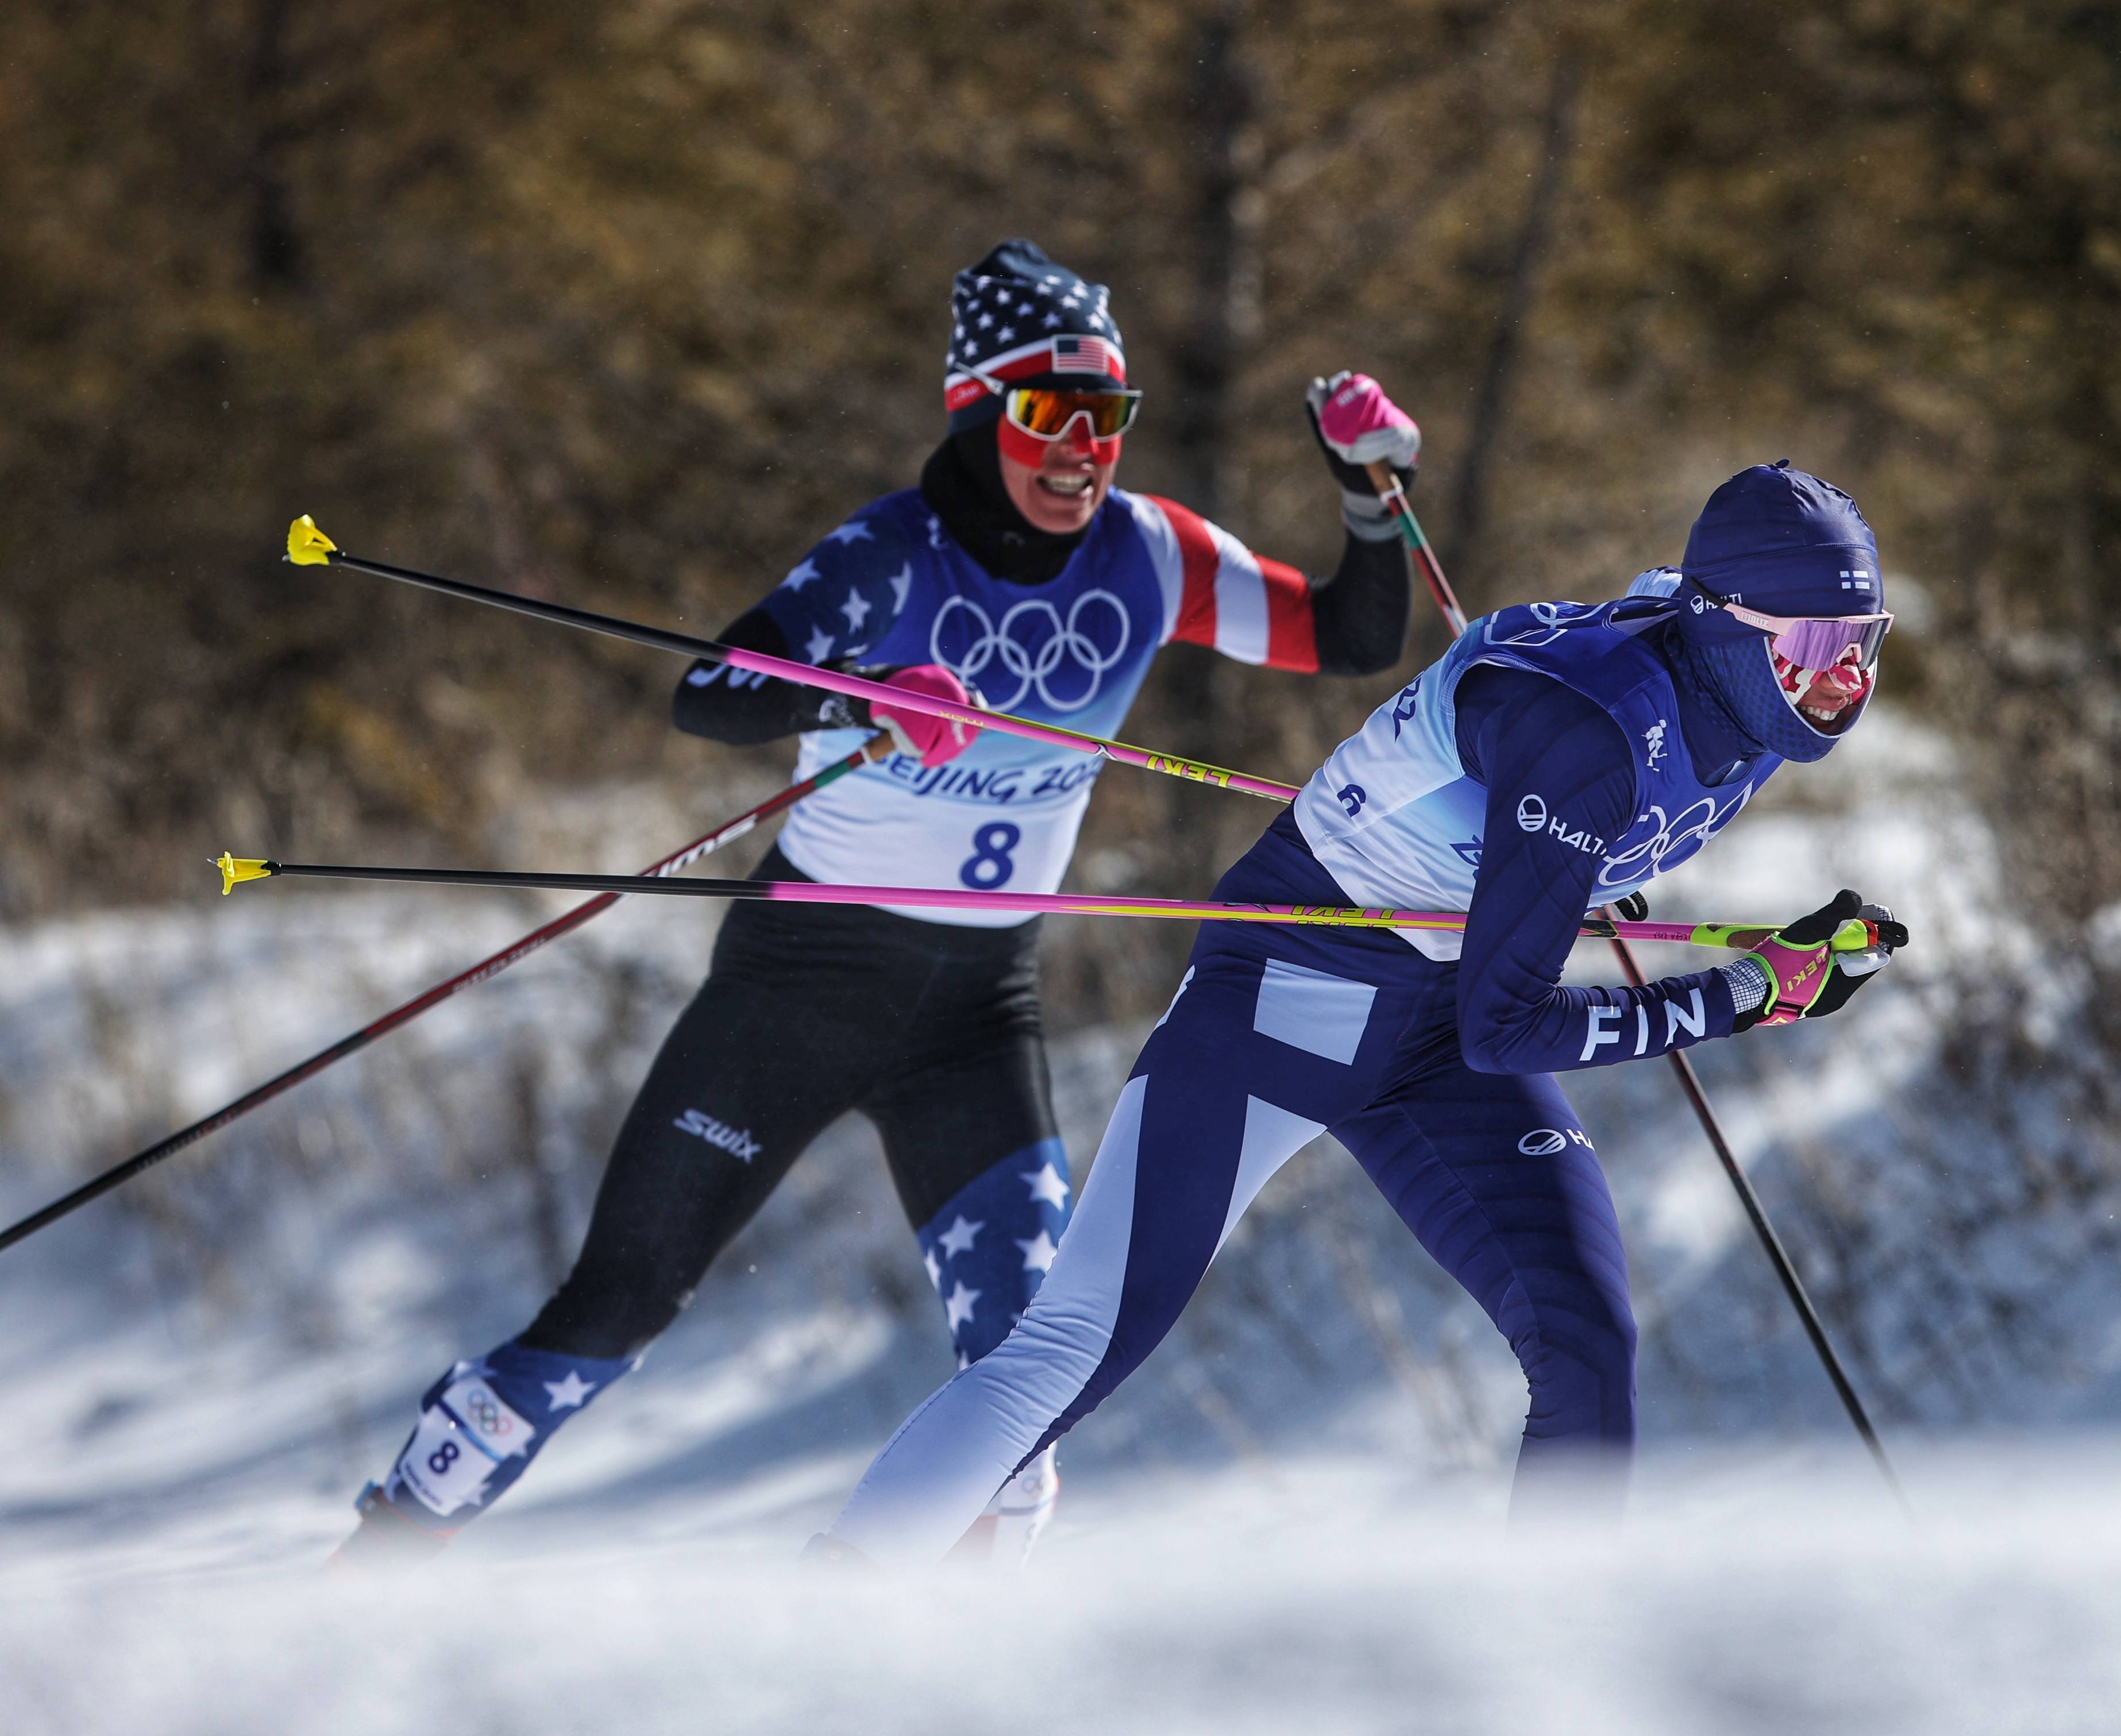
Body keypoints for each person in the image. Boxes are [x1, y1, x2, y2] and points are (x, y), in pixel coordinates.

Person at [333, 239, 1424, 1566]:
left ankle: (921, 1659)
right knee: (613, 1309)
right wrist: (861, 690)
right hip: (800, 986)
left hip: (976, 1009)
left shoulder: (1151, 553)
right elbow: (709, 687)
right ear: (977, 410)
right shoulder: (892, 556)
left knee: (1027, 1369)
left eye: (1107, 416)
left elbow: (1350, 636)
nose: (1082, 446)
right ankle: (387, 1548)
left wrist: (1374, 497)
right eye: (1045, 413)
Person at [813, 462, 1906, 1567]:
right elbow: (1508, 1025)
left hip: (1439, 1016)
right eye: (1815, 649)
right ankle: (830, 1603)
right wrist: (1746, 990)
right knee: (1079, 1341)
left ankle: (1559, 1664)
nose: (1844, 679)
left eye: (1867, 639)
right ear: (1720, 625)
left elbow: (1608, 663)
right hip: (1295, 992)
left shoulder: (1746, 689)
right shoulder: (1595, 734)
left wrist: (1562, 863)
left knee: (1586, 1340)